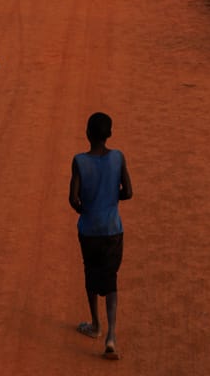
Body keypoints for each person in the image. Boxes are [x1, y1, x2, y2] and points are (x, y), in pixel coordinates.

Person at [69, 112, 133, 361]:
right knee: (111, 278)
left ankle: (95, 325)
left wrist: (85, 207)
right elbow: (128, 191)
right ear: (110, 135)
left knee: (91, 273)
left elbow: (73, 198)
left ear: (87, 134)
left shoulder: (79, 161)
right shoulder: (118, 157)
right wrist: (112, 196)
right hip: (113, 229)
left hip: (89, 229)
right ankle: (112, 336)